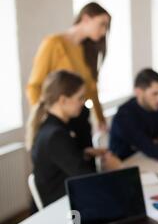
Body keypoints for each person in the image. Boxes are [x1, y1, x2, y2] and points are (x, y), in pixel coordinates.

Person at [26, 70, 122, 207]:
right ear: (63, 100)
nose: (83, 103)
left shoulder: (52, 126)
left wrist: (85, 153)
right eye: (80, 98)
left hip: (66, 197)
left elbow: (61, 161)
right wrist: (116, 169)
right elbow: (90, 181)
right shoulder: (56, 136)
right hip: (61, 206)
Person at [26, 2, 111, 149]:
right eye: (102, 24)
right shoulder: (53, 44)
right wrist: (45, 118)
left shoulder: (87, 50)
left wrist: (100, 117)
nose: (104, 31)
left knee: (86, 165)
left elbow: (91, 89)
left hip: (81, 116)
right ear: (85, 19)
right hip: (59, 120)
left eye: (106, 27)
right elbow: (34, 86)